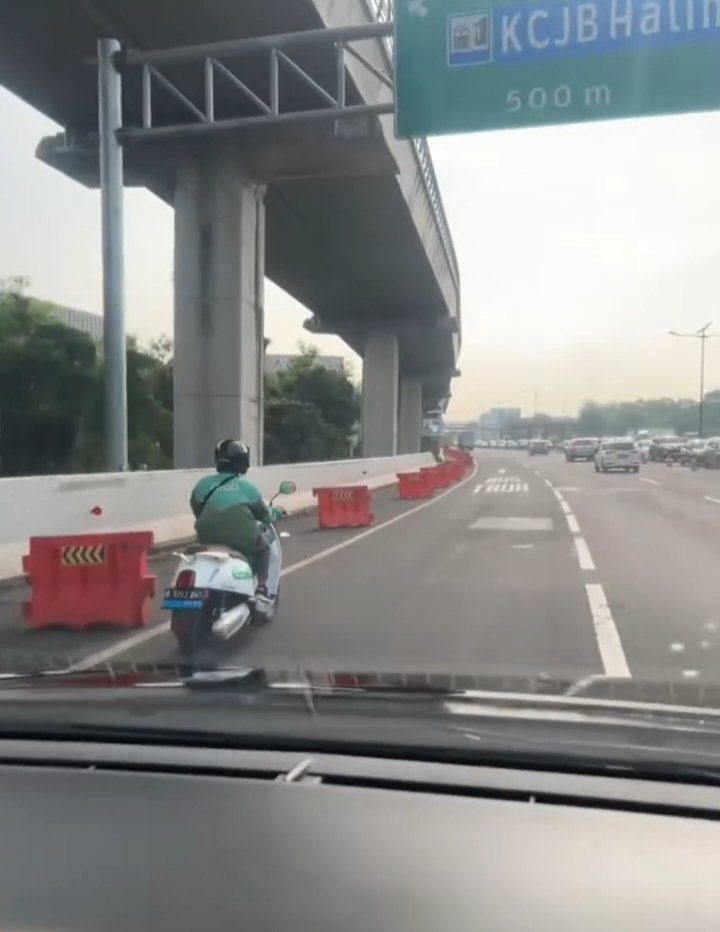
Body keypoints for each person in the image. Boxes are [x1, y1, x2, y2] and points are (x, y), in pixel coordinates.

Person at [189, 439, 272, 601]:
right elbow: (263, 515)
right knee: (263, 550)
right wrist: (275, 513)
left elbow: (197, 509)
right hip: (242, 540)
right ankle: (261, 588)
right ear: (242, 461)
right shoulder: (248, 487)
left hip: (207, 538)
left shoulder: (202, 484)